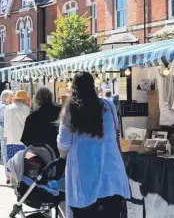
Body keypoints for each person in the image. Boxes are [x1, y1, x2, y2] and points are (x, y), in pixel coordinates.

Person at [58, 72, 130, 217]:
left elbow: (63, 143)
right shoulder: (108, 106)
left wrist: (62, 156)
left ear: (74, 87)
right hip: (110, 173)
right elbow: (115, 131)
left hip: (84, 174)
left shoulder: (71, 109)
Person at [21, 87, 61, 156]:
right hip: (59, 153)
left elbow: (25, 139)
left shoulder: (32, 116)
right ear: (51, 97)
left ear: (37, 99)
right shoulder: (61, 111)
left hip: (41, 157)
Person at [3, 90, 31, 185]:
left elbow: (6, 123)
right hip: (23, 139)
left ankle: (12, 180)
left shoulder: (8, 108)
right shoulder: (27, 109)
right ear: (23, 99)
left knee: (11, 159)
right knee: (21, 160)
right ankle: (20, 180)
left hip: (11, 137)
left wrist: (5, 136)